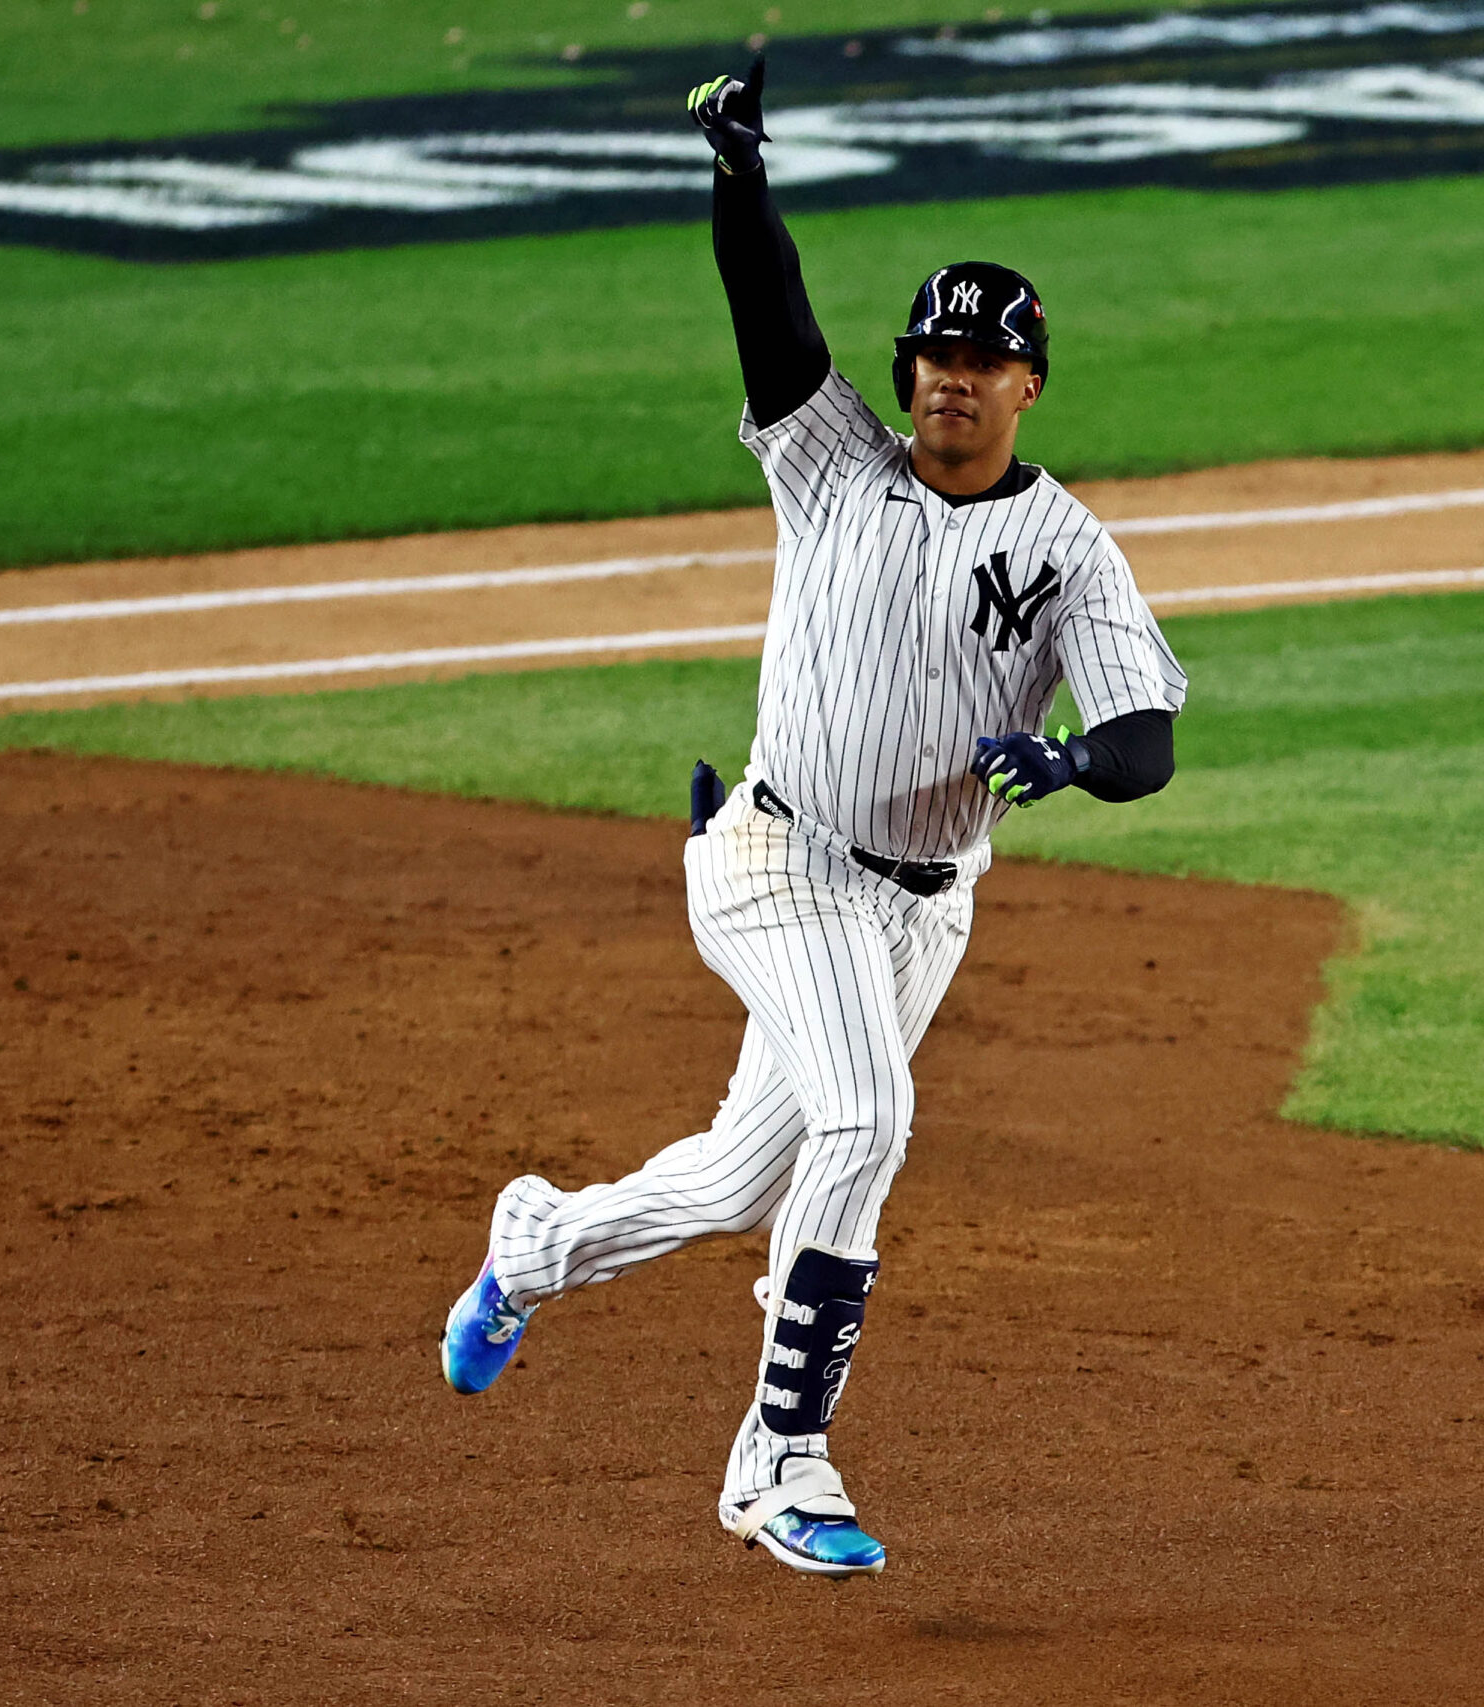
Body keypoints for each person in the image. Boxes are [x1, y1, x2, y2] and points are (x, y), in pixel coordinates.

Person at [436, 58, 1188, 1579]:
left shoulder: (1069, 548)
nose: (947, 379)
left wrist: (1073, 768)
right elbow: (769, 313)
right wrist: (738, 177)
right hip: (776, 856)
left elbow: (1146, 738)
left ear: (1031, 383)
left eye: (981, 361)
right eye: (929, 355)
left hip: (922, 909)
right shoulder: (832, 461)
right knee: (869, 1117)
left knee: (737, 1178)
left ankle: (533, 1244)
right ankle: (778, 1460)